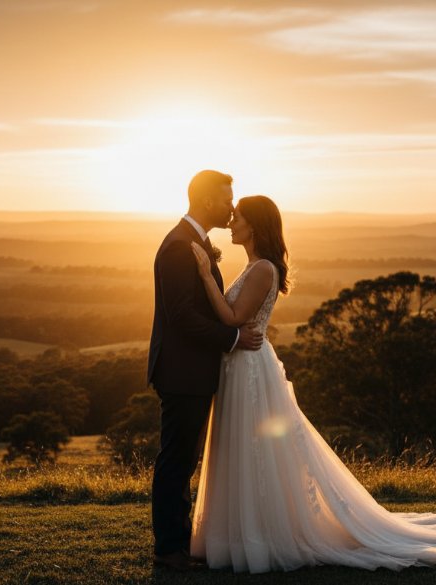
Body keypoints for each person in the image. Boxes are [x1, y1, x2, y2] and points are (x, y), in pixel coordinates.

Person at [187, 195, 436, 573]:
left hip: (249, 370)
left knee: (254, 451)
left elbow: (231, 317)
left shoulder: (262, 269)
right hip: (240, 365)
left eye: (238, 218)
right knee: (243, 450)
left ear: (255, 226)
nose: (231, 223)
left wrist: (203, 275)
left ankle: (260, 534)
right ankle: (240, 532)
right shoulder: (254, 266)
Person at [147, 170, 264, 570]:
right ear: (206, 200)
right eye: (226, 199)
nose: (231, 207)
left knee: (184, 457)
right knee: (177, 459)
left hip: (193, 370)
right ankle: (168, 549)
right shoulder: (181, 246)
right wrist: (232, 341)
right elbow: (181, 316)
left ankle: (177, 544)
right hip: (182, 371)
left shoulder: (195, 241)